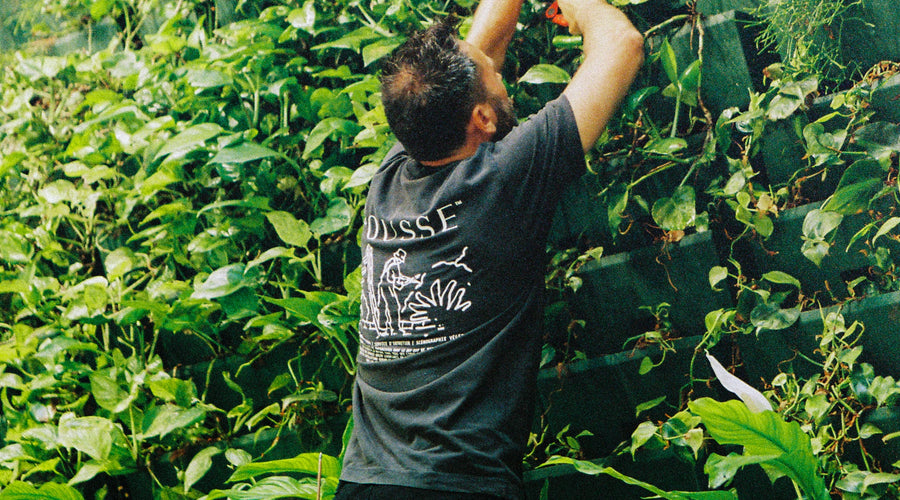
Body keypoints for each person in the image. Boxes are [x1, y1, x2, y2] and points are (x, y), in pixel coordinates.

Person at [336, 0, 644, 497]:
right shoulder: (502, 181)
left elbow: (485, 47)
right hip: (455, 487)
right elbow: (621, 45)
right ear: (481, 117)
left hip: (366, 483)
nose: (498, 71)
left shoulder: (392, 176)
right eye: (492, 76)